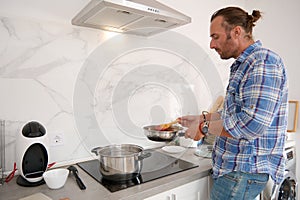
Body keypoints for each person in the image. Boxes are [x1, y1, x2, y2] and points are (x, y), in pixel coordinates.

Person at [178, 6, 288, 200]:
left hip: (243, 172)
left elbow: (252, 125)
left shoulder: (262, 61)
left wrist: (203, 128)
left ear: (236, 31)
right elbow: (235, 115)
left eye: (215, 36)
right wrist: (202, 117)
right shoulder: (244, 65)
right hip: (236, 172)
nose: (211, 44)